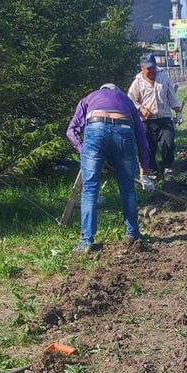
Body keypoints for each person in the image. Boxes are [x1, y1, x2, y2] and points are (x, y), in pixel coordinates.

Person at [66, 83, 152, 252]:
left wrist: (86, 151)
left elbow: (71, 131)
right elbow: (142, 139)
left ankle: (86, 241)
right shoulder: (126, 101)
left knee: (90, 189)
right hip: (124, 128)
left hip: (95, 127)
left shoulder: (89, 97)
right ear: (116, 91)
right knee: (128, 188)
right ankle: (133, 235)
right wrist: (144, 172)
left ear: (102, 90)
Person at [128, 53, 182, 178]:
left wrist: (178, 112)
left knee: (167, 143)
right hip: (147, 121)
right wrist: (140, 108)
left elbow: (171, 97)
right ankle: (152, 170)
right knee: (148, 147)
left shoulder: (163, 79)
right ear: (142, 67)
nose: (152, 70)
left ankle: (167, 167)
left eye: (153, 67)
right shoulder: (137, 83)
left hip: (164, 118)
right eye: (148, 68)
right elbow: (130, 100)